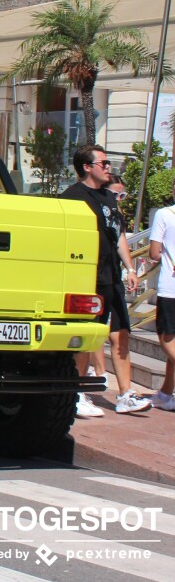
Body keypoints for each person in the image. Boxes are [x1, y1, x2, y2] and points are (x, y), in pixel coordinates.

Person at [60, 145, 151, 415]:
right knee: (89, 335)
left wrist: (130, 268)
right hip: (89, 277)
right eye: (103, 162)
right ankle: (75, 393)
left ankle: (125, 394)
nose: (109, 167)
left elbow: (119, 234)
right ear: (87, 167)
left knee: (121, 332)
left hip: (111, 276)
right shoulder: (73, 197)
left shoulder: (108, 198)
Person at [147, 194, 175, 411]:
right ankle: (166, 393)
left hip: (170, 287)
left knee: (166, 338)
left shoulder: (165, 214)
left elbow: (154, 253)